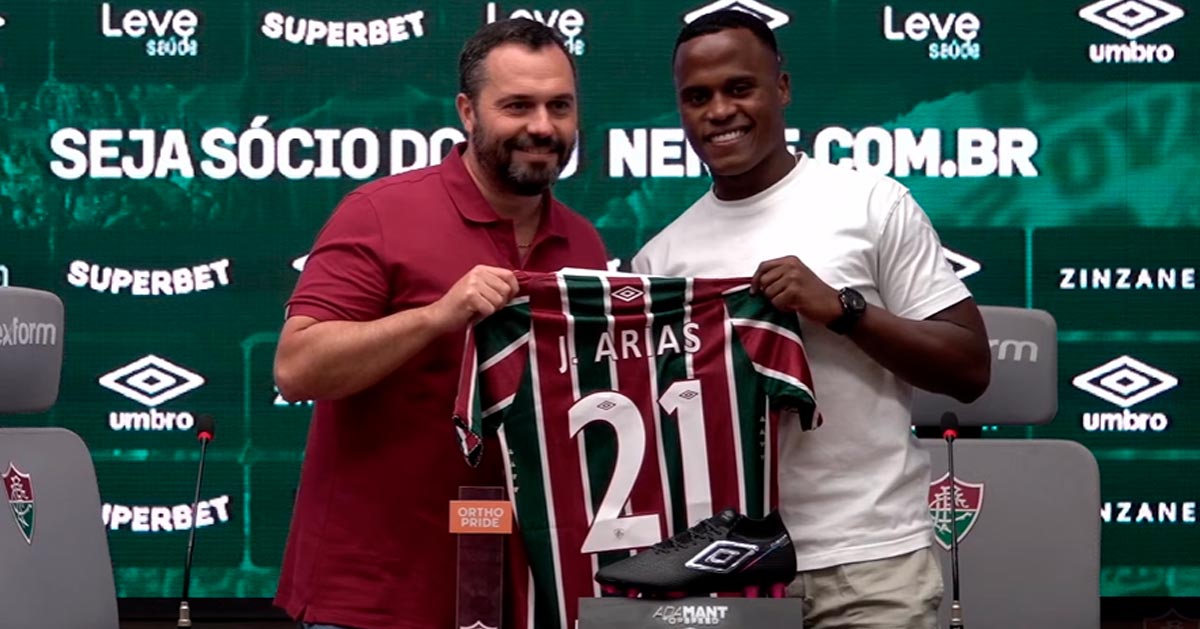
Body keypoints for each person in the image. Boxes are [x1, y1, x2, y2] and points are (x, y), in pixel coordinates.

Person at [632, 10, 991, 629]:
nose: (719, 111)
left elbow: (969, 368)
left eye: (739, 88)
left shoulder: (871, 204)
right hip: (724, 567)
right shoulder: (660, 260)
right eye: (697, 97)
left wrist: (846, 311)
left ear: (783, 88)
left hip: (870, 560)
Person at [273, 19, 608, 629]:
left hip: (522, 596)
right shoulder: (379, 213)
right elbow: (297, 369)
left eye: (559, 106)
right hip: (373, 601)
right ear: (467, 112)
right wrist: (435, 318)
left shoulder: (583, 242)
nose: (542, 126)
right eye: (517, 106)